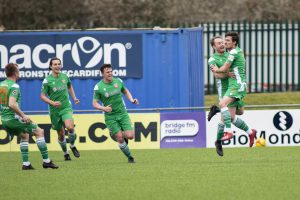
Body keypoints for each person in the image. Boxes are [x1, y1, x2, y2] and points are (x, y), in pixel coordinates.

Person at [0, 63, 58, 170]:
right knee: (39, 132)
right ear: (15, 73)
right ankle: (47, 162)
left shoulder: (2, 85)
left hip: (4, 119)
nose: (19, 72)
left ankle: (26, 164)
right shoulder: (14, 86)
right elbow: (11, 104)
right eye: (18, 70)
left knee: (24, 135)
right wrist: (23, 115)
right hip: (13, 118)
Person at [211, 32, 257, 149]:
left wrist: (218, 70)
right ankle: (250, 133)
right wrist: (219, 72)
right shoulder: (215, 58)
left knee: (226, 107)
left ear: (234, 42)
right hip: (231, 87)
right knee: (231, 115)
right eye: (221, 42)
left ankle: (228, 131)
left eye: (226, 41)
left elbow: (225, 68)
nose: (224, 43)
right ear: (213, 47)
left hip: (236, 85)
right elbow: (220, 73)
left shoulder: (233, 52)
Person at [92, 64, 138, 163]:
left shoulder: (118, 81)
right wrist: (103, 108)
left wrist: (132, 99)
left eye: (111, 71)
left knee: (130, 136)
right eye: (107, 72)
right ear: (103, 74)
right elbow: (94, 104)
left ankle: (119, 132)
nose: (110, 73)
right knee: (120, 139)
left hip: (122, 113)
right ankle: (130, 157)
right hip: (110, 116)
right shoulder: (98, 87)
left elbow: (125, 91)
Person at [40, 57, 80, 161]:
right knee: (61, 134)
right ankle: (65, 153)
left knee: (70, 127)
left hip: (66, 107)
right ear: (51, 66)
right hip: (54, 110)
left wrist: (74, 98)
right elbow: (42, 96)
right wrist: (52, 103)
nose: (57, 66)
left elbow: (69, 87)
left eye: (59, 64)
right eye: (55, 64)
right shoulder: (47, 80)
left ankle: (72, 145)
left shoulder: (65, 76)